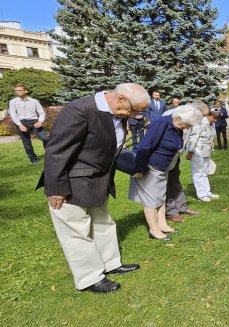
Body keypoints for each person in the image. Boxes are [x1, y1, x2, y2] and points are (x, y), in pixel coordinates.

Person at [38, 83, 148, 293]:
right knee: (76, 231)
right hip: (72, 183)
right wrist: (56, 188)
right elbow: (57, 150)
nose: (135, 115)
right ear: (121, 98)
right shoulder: (80, 110)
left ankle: (110, 263)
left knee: (103, 223)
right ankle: (89, 277)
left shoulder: (117, 114)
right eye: (134, 110)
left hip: (99, 181)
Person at [129, 104, 202, 241]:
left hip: (163, 167)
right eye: (187, 124)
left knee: (160, 197)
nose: (188, 127)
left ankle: (162, 224)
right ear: (179, 118)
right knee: (151, 200)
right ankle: (154, 230)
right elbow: (145, 146)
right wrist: (139, 170)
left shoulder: (176, 126)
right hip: (151, 167)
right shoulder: (161, 123)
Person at [163, 100, 200, 223]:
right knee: (166, 184)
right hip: (166, 156)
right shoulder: (169, 117)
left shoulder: (189, 117)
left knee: (175, 180)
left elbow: (190, 135)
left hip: (176, 154)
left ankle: (181, 207)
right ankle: (171, 212)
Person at [9, 84, 49, 165]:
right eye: (16, 91)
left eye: (19, 90)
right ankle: (34, 160)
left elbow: (41, 113)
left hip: (34, 122)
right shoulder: (13, 102)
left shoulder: (34, 101)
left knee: (45, 139)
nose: (17, 92)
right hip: (21, 122)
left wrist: (40, 121)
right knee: (27, 144)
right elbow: (13, 115)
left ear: (25, 91)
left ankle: (50, 156)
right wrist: (20, 125)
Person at [187, 111, 220, 201]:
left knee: (205, 172)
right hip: (197, 151)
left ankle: (207, 192)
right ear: (211, 115)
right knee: (198, 173)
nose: (215, 121)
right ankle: (201, 194)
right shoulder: (199, 123)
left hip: (206, 151)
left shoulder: (209, 124)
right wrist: (190, 151)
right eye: (215, 118)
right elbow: (193, 138)